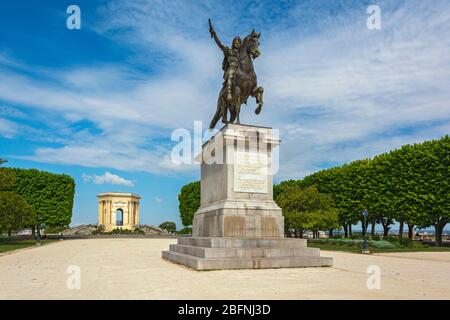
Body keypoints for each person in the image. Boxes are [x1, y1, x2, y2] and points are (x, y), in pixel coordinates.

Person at [209, 21, 241, 103]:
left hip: (239, 70)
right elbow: (220, 44)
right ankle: (229, 93)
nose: (237, 44)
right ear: (233, 43)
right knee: (231, 74)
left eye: (238, 43)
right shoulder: (228, 51)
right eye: (235, 42)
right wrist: (215, 34)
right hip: (231, 68)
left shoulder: (241, 54)